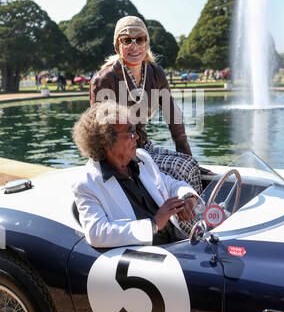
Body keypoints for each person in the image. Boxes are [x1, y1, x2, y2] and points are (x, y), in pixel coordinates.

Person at [89, 15, 212, 196]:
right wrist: (114, 173)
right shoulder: (104, 79)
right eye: (127, 40)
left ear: (146, 44)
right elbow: (98, 133)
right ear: (117, 45)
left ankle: (199, 218)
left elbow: (174, 119)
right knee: (183, 169)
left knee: (190, 165)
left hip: (143, 146)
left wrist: (188, 157)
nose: (134, 46)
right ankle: (187, 221)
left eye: (140, 39)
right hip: (119, 155)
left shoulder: (155, 73)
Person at [72, 101, 204, 248]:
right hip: (148, 258)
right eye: (130, 133)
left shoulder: (141, 158)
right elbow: (97, 233)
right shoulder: (87, 183)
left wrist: (187, 197)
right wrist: (154, 224)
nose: (137, 137)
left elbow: (170, 183)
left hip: (179, 244)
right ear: (107, 142)